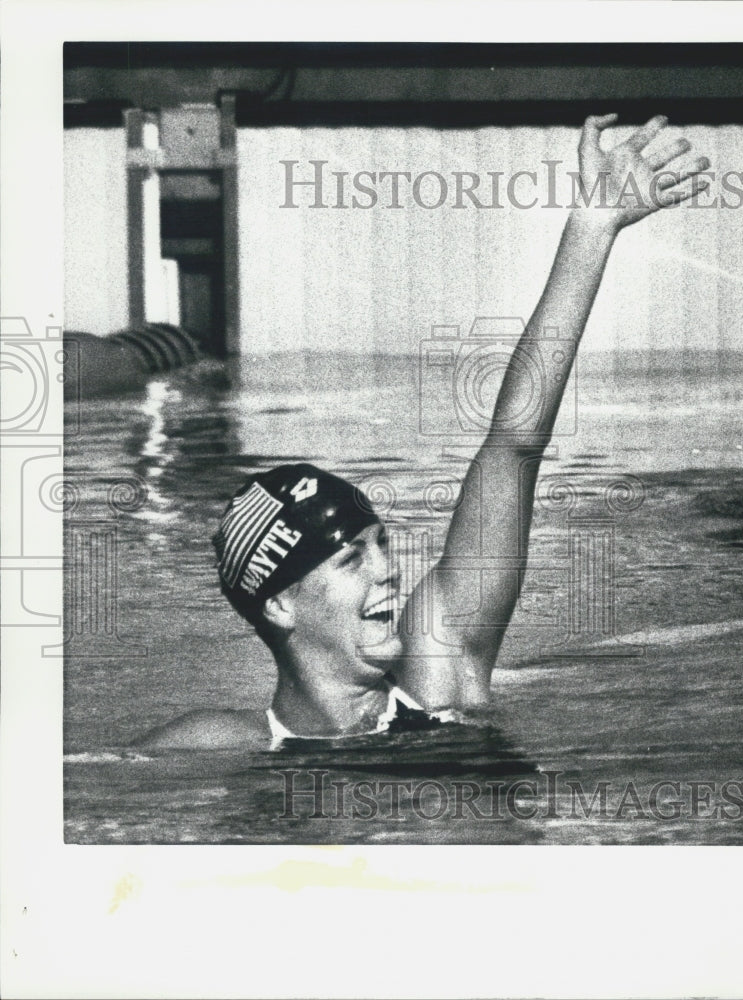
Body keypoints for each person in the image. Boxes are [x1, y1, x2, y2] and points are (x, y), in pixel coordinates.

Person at [138, 113, 710, 749]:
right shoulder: (212, 746)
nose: (390, 571)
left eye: (381, 544)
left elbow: (514, 445)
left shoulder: (440, 680)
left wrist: (592, 228)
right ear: (279, 604)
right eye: (353, 557)